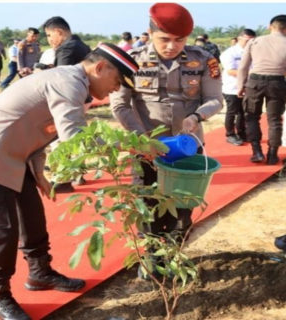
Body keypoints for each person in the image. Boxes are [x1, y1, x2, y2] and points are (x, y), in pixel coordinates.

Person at [0, 43, 139, 320]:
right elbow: (75, 138)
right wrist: (131, 145)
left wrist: (39, 172)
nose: (116, 89)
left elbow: (40, 130)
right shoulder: (68, 82)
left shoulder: (72, 82)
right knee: (1, 233)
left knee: (33, 219)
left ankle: (40, 273)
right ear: (100, 68)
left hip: (15, 156)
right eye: (117, 81)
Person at [110, 3, 222, 278]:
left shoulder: (204, 59)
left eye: (179, 40)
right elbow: (120, 105)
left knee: (183, 204)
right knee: (146, 202)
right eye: (164, 40)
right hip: (145, 147)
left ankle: (172, 255)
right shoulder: (131, 60)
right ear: (149, 33)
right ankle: (150, 258)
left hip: (186, 146)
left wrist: (197, 115)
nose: (172, 46)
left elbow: (215, 99)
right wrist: (142, 138)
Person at [237, 14, 286, 165]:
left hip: (255, 83)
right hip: (277, 83)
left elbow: (243, 67)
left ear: (269, 26)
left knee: (252, 117)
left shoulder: (254, 42)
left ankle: (257, 152)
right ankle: (273, 155)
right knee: (275, 120)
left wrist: (241, 86)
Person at [43, 16, 92, 192]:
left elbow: (60, 77)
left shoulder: (67, 48)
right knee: (75, 134)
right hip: (81, 97)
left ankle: (62, 179)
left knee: (60, 138)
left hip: (68, 99)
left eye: (49, 35)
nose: (49, 40)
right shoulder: (80, 45)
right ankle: (78, 174)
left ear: (59, 32)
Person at [220, 29, 256, 146]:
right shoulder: (229, 53)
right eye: (248, 40)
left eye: (253, 41)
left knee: (243, 112)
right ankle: (230, 134)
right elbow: (230, 71)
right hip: (232, 88)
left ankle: (242, 133)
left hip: (247, 87)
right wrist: (250, 73)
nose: (251, 43)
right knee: (232, 112)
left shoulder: (253, 52)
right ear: (240, 38)